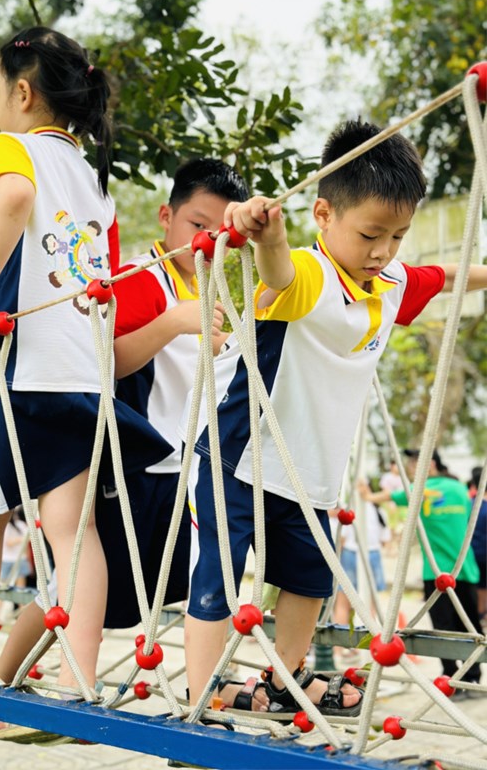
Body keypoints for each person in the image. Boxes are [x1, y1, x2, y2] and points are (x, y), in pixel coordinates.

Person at [181, 119, 487, 719]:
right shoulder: (309, 272)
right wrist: (269, 233)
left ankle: (284, 680)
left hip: (311, 471)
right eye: (371, 233)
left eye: (397, 236)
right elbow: (278, 271)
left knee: (308, 582)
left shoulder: (388, 281)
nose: (383, 251)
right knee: (218, 578)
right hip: (241, 454)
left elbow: (447, 277)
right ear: (323, 214)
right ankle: (198, 705)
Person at [0, 26, 170, 710]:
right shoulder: (96, 183)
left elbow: (13, 198)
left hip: (10, 372)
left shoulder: (12, 147)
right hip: (80, 378)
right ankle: (78, 678)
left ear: (22, 93)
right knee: (74, 532)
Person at [96, 158, 249, 626]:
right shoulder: (141, 279)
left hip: (185, 469)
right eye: (197, 225)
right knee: (92, 597)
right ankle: (6, 666)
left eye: (222, 236)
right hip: (137, 470)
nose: (207, 242)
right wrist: (172, 323)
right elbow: (109, 362)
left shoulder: (204, 286)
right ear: (166, 216)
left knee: (186, 591)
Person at [359, 449, 483, 688]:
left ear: (430, 463)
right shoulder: (459, 488)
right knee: (470, 626)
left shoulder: (419, 490)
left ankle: (451, 677)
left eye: (413, 464)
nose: (410, 470)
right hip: (466, 569)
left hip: (436, 573)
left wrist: (365, 493)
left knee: (442, 629)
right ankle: (473, 676)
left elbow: (383, 497)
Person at [330, 500, 390, 663]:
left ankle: (338, 650)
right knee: (369, 606)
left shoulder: (351, 508)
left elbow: (341, 537)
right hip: (373, 554)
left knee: (342, 604)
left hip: (350, 553)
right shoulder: (378, 510)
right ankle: (368, 648)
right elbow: (385, 539)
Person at [468, 466, 487, 628]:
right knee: (483, 587)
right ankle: (482, 614)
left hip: (472, 552)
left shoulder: (470, 504)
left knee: (479, 586)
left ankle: (480, 615)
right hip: (483, 552)